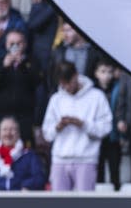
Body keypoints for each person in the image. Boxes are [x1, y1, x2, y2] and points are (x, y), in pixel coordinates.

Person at [41, 60, 112, 191]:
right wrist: (58, 127)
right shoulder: (56, 99)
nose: (66, 87)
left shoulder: (97, 96)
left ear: (76, 76)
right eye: (63, 84)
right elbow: (47, 134)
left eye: (69, 83)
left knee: (84, 207)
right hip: (59, 159)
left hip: (86, 159)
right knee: (59, 205)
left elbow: (106, 128)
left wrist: (83, 124)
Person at [0, 29, 43, 147]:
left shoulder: (32, 61)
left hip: (24, 116)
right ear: (6, 45)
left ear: (25, 44)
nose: (15, 46)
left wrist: (22, 65)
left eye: (19, 43)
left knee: (26, 149)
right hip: (2, 114)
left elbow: (37, 81)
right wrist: (3, 67)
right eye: (12, 44)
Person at [0, 116, 47, 191]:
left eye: (12, 129)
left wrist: (27, 186)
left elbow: (39, 177)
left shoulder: (29, 155)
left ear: (18, 134)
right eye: (4, 130)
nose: (8, 133)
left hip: (22, 199)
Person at [93, 57, 122, 190]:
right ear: (96, 73)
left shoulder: (118, 88)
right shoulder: (91, 92)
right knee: (98, 172)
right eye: (103, 72)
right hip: (97, 138)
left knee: (115, 170)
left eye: (109, 72)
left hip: (113, 137)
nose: (106, 76)